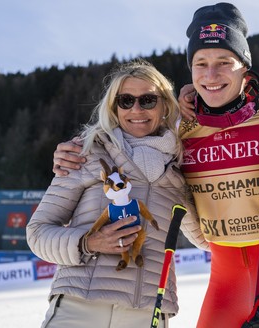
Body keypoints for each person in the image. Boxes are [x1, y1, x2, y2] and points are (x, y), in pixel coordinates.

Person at [52, 4, 259, 327]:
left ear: (244, 68)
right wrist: (75, 150)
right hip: (224, 273)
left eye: (224, 63)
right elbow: (134, 140)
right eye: (200, 64)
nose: (211, 74)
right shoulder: (180, 129)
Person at [27, 59, 207, 328]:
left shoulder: (180, 169)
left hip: (146, 311)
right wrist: (87, 242)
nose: (136, 109)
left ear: (165, 105)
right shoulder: (86, 153)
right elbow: (38, 232)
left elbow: (207, 238)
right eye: (125, 101)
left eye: (147, 100)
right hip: (80, 305)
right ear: (114, 107)